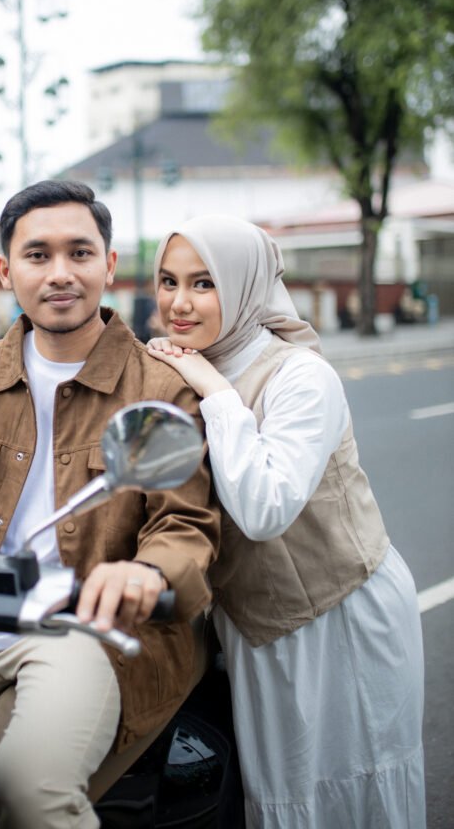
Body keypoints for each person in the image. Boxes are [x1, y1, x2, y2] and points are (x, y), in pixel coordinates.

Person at [0, 180, 219, 829]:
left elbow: (184, 522)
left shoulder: (160, 387)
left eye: (80, 253)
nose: (60, 273)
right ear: (5, 271)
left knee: (23, 790)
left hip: (92, 632)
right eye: (38, 255)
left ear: (109, 265)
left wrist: (145, 573)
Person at [146, 214, 425, 829]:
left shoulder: (300, 376)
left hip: (344, 619)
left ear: (244, 285)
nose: (179, 303)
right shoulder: (173, 369)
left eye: (204, 283)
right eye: (168, 281)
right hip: (256, 630)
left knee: (360, 787)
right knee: (285, 798)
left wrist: (214, 390)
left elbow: (264, 508)